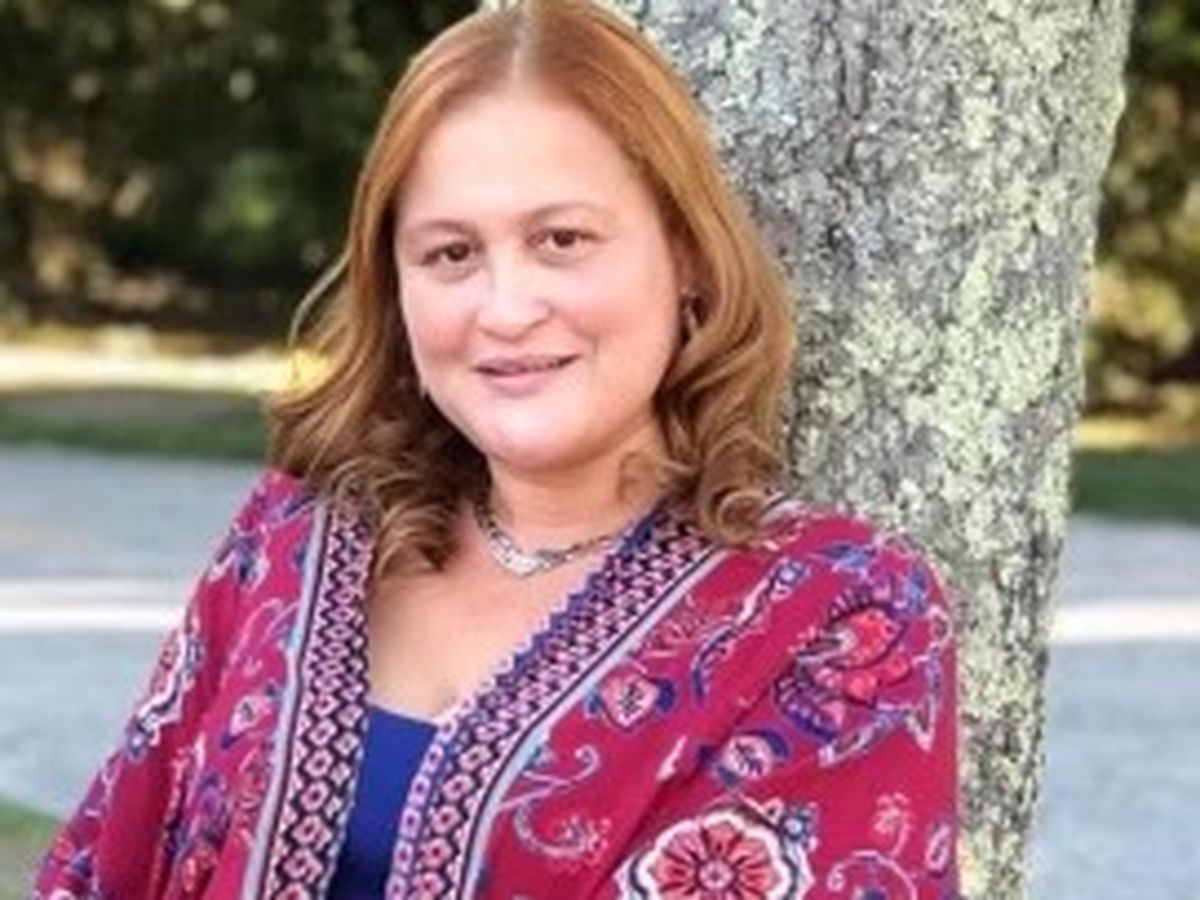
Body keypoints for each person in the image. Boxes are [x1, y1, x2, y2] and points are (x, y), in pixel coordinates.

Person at [33, 0, 959, 897]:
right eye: (451, 254)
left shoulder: (839, 616)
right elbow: (102, 862)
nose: (505, 309)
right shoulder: (295, 540)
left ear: (686, 254)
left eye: (561, 239)